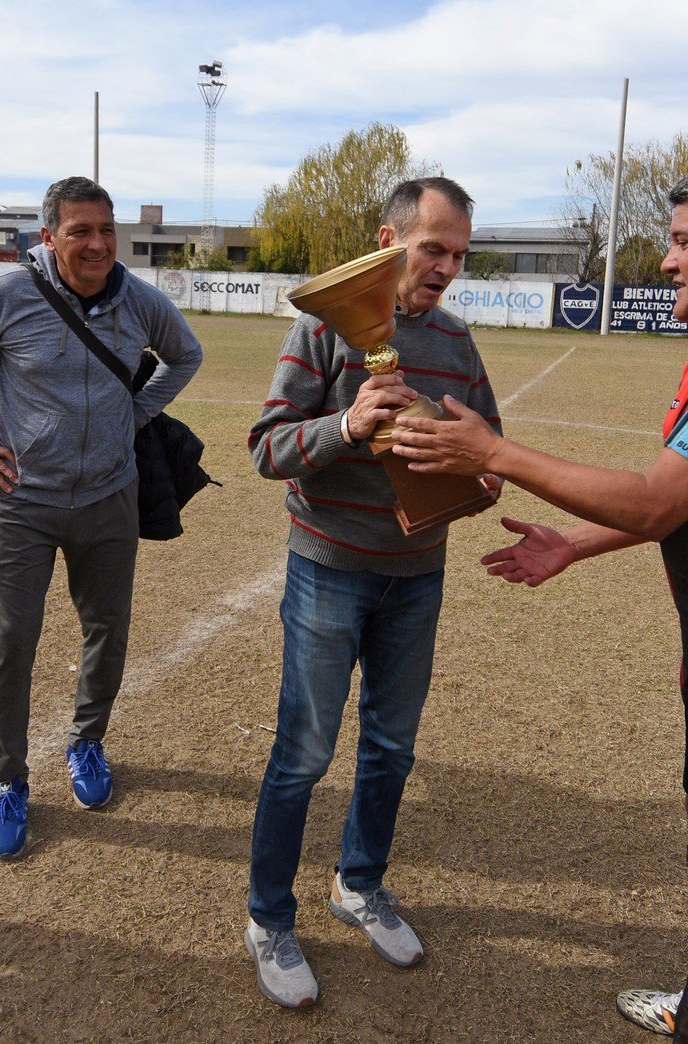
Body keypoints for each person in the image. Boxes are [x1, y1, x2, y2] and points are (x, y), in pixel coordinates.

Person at [392, 158, 688, 1043]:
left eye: (683, 240)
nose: (665, 261)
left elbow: (658, 499)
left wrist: (491, 454)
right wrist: (570, 545)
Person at [243, 177, 503, 1007]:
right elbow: (264, 449)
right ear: (389, 239)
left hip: (417, 578)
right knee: (304, 756)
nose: (447, 269)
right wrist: (346, 427)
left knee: (390, 749)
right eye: (434, 249)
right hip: (327, 570)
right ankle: (268, 919)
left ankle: (357, 886)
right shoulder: (319, 330)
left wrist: (478, 475)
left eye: (458, 254)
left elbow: (489, 448)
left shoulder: (458, 344)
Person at [0, 176, 202, 860]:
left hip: (109, 497)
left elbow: (185, 355)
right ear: (48, 238)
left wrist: (134, 412)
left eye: (106, 230)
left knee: (107, 627)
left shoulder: (140, 301)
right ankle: (7, 780)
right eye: (80, 231)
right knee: (10, 640)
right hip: (22, 503)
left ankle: (88, 742)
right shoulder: (8, 295)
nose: (97, 244)